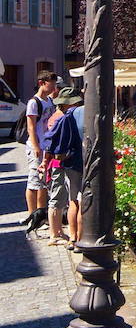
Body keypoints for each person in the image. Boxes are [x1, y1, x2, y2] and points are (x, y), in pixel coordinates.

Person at [44, 88, 84, 248]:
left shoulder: (64, 116)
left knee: (73, 201)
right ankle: (81, 240)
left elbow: (50, 141)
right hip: (83, 162)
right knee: (83, 202)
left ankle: (73, 238)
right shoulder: (82, 113)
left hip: (69, 164)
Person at [21, 71, 58, 232]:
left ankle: (41, 215)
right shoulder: (33, 102)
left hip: (47, 145)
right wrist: (36, 146)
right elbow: (31, 126)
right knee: (34, 181)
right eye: (52, 83)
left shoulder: (49, 100)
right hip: (36, 145)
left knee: (44, 182)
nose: (54, 86)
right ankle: (32, 215)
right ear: (42, 82)